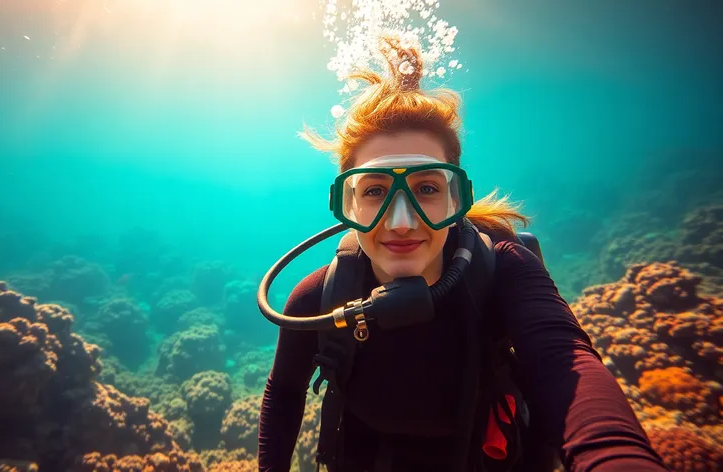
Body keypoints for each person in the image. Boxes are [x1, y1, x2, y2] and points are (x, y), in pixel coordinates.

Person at [256, 35, 667, 472]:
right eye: (375, 191)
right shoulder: (319, 298)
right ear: (348, 204)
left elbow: (563, 362)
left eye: (427, 189)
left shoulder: (503, 269)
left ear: (457, 199)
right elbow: (283, 395)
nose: (401, 221)